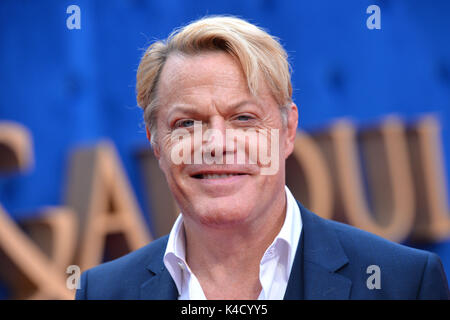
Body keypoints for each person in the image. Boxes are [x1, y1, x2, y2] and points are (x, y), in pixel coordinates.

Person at [75, 16, 449, 300]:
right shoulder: (103, 291)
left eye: (243, 118)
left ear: (288, 131)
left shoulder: (402, 282)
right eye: (186, 123)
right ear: (156, 142)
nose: (217, 144)